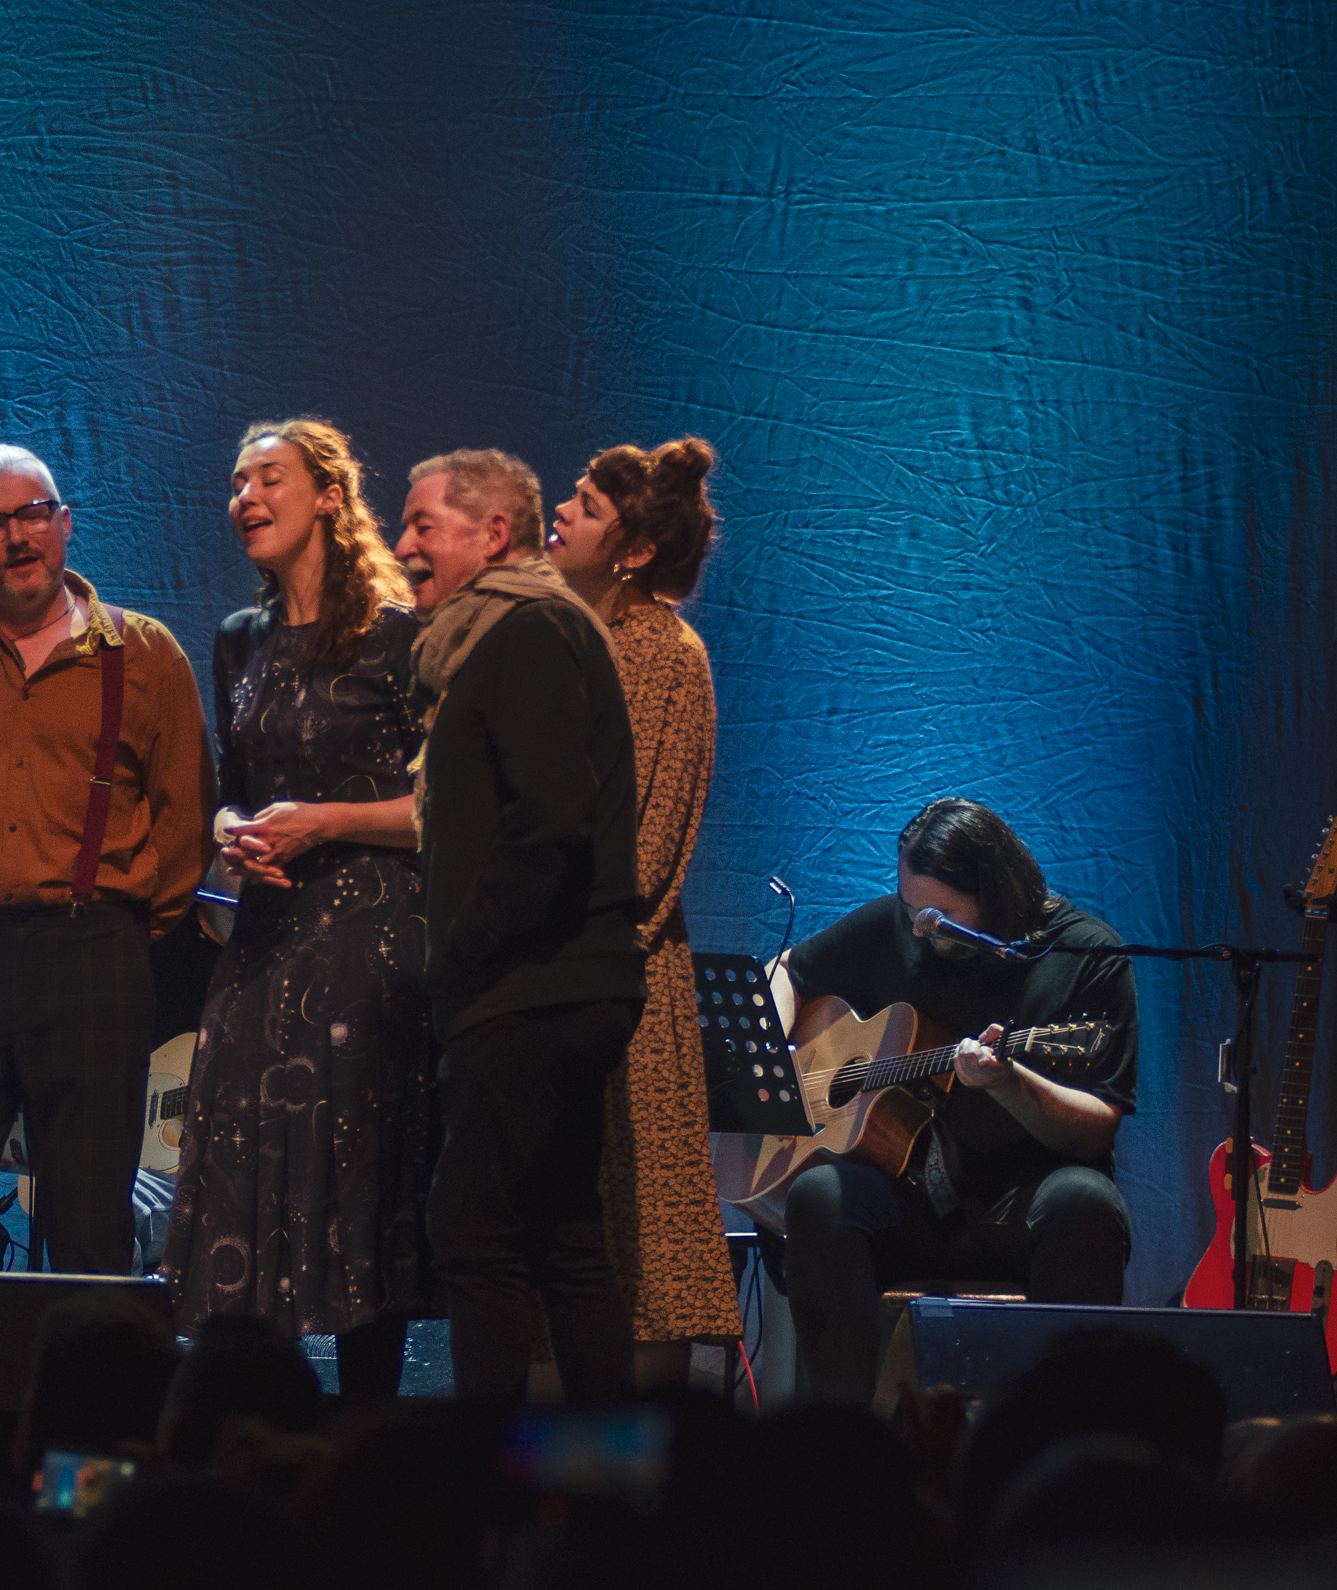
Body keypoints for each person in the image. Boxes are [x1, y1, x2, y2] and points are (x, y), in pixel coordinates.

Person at [0, 444, 213, 1273]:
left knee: (91, 1230)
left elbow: (184, 825)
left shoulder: (148, 654)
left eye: (32, 516)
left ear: (65, 524)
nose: (16, 538)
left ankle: (80, 1404)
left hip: (93, 957)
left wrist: (123, 930)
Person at [159, 418, 433, 1397]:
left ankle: (363, 1426)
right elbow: (234, 787)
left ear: (328, 495)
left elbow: (446, 807)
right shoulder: (240, 642)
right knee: (241, 1170)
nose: (245, 496)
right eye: (235, 483)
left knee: (359, 1182)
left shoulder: (400, 637)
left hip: (372, 943)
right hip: (267, 945)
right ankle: (250, 1419)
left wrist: (328, 820)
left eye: (267, 477)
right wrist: (235, 831)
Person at [395, 447, 645, 1404]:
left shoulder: (528, 632)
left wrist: (455, 960)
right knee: (564, 1237)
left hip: (534, 985)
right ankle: (598, 1491)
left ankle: (487, 1495)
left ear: (493, 533)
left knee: (472, 1228)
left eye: (424, 523)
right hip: (551, 983)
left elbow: (549, 824)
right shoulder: (496, 640)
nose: (403, 542)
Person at [774, 798, 1137, 1401]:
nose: (919, 928)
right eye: (911, 908)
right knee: (819, 1195)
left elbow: (1098, 1128)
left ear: (992, 893)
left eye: (938, 916)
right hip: (915, 1202)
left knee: (1084, 1200)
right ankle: (845, 1449)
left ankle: (1058, 1446)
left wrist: (1009, 1083)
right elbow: (789, 969)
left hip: (1026, 1210)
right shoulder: (899, 926)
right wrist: (774, 1045)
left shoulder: (1087, 956)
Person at [533, 437, 738, 1388]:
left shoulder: (663, 653)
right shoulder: (554, 637)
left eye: (584, 502)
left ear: (635, 550)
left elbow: (647, 852)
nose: (560, 510)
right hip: (539, 971)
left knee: (643, 1244)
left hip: (618, 979)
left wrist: (559, 949)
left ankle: (631, 1487)